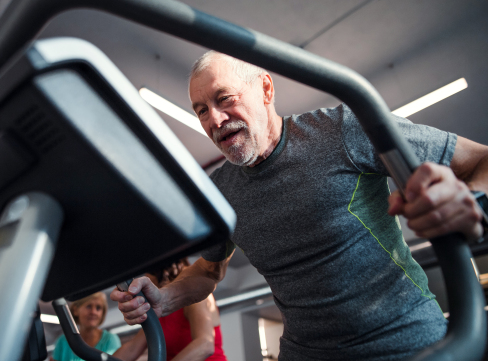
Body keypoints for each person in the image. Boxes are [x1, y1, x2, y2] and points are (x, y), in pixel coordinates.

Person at [111, 51, 488, 361]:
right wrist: (166, 297)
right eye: (201, 110)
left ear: (265, 89)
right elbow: (210, 271)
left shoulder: (342, 129)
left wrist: (468, 201)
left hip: (403, 340)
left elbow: (480, 161)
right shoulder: (219, 190)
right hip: (305, 353)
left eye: (224, 99)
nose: (215, 119)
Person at [114, 259, 227, 361]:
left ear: (160, 273)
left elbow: (205, 345)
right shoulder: (161, 310)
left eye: (148, 275)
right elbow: (132, 347)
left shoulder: (195, 296)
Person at [51, 292, 121, 361]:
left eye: (98, 308)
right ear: (75, 310)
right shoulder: (62, 341)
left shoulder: (111, 339)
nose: (93, 312)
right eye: (89, 306)